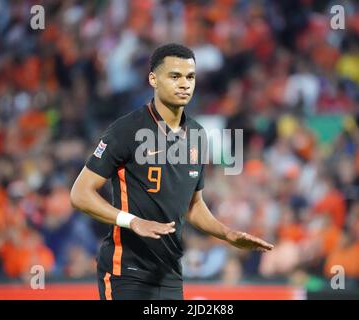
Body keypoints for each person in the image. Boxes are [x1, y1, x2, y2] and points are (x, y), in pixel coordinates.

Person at [70, 43, 274, 300]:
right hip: (126, 272)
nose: (184, 84)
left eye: (190, 77)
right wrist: (132, 221)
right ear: (153, 79)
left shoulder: (198, 135)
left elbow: (193, 205)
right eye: (175, 76)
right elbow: (80, 194)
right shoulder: (127, 130)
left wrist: (227, 234)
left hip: (170, 274)